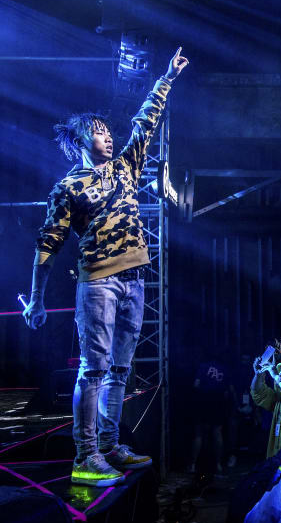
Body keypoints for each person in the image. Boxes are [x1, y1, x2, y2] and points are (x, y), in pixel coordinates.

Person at [22, 47, 189, 487]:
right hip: (98, 283)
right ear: (80, 142)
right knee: (93, 370)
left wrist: (166, 78)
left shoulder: (126, 168)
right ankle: (86, 454)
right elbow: (48, 244)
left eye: (107, 132)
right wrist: (36, 300)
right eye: (98, 133)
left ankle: (110, 445)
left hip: (135, 280)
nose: (108, 137)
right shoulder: (68, 186)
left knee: (119, 370)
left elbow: (145, 122)